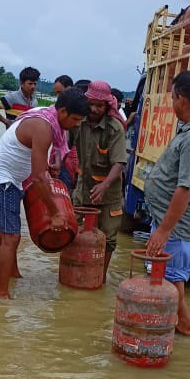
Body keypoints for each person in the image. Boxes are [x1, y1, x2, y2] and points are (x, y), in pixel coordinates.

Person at [0, 87, 89, 298]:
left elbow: (35, 164)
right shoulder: (43, 127)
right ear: (63, 112)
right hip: (1, 180)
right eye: (75, 119)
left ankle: (13, 275)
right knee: (11, 237)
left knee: (9, 235)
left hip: (14, 180)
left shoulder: (46, 115)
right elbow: (39, 178)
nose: (76, 124)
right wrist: (55, 213)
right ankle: (2, 295)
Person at [145, 70, 190, 337]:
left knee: (171, 276)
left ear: (182, 99)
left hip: (178, 224)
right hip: (171, 220)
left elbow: (184, 188)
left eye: (172, 97)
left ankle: (186, 326)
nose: (172, 103)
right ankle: (178, 325)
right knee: (169, 277)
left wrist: (164, 231)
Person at [71, 80, 127, 281]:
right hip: (83, 188)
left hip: (109, 193)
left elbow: (119, 163)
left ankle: (99, 278)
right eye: (91, 104)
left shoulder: (115, 129)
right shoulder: (78, 121)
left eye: (99, 105)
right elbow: (63, 142)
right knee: (72, 231)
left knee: (108, 239)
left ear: (107, 106)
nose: (94, 109)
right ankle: (72, 273)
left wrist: (104, 186)